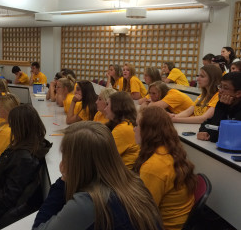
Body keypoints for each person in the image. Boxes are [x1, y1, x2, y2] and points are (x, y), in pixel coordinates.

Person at [33, 121, 162, 230]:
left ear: (77, 163)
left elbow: (38, 228)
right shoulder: (135, 183)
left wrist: (63, 180)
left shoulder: (89, 203)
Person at [133, 106, 197, 230]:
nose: (134, 129)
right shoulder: (168, 149)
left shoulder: (153, 166)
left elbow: (143, 214)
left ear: (148, 131)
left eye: (137, 125)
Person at [197, 72, 241, 142]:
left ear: (238, 93)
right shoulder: (222, 103)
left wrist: (222, 107)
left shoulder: (223, 105)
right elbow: (207, 123)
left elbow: (220, 136)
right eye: (220, 86)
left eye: (225, 88)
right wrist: (204, 131)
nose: (220, 91)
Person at [104, 91, 140, 169]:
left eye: (107, 105)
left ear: (116, 107)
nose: (105, 108)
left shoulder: (123, 129)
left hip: (123, 175)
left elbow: (104, 157)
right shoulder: (127, 124)